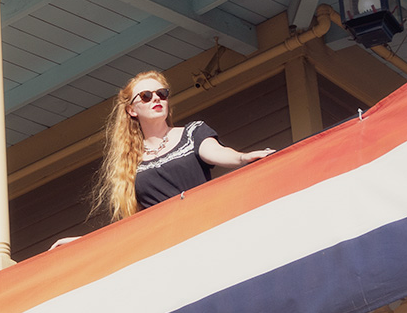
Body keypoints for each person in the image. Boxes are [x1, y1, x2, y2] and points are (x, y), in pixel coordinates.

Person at [92, 69, 275, 219]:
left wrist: (243, 157)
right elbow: (132, 223)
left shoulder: (193, 133)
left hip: (206, 221)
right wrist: (87, 243)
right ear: (131, 110)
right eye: (146, 96)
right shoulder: (129, 161)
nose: (156, 98)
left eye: (161, 94)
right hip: (168, 241)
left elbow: (218, 152)